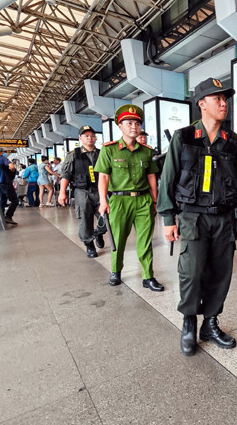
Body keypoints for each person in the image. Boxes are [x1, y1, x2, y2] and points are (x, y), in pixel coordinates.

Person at [158, 78, 237, 355]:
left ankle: (211, 323)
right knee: (191, 272)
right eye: (217, 99)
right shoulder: (184, 137)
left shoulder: (234, 142)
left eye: (225, 99)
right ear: (201, 104)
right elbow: (167, 180)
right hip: (193, 217)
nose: (224, 103)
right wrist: (168, 218)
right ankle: (189, 322)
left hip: (225, 219)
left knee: (220, 273)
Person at [95, 104, 164, 291]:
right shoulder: (109, 150)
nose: (134, 126)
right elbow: (104, 176)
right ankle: (116, 271)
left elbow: (152, 178)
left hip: (143, 200)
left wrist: (155, 201)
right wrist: (103, 201)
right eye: (129, 123)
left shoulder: (147, 151)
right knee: (118, 238)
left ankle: (148, 276)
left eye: (137, 123)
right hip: (119, 200)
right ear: (120, 125)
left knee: (145, 240)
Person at [58, 126, 107, 258]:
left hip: (100, 190)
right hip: (82, 191)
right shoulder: (73, 155)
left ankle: (99, 233)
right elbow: (66, 175)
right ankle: (89, 245)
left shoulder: (102, 153)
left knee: (107, 218)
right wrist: (62, 192)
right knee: (85, 219)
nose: (90, 138)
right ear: (80, 138)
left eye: (92, 135)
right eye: (86, 136)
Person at [0, 146, 18, 225]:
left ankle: (1, 217)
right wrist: (12, 170)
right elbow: (12, 166)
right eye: (2, 151)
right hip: (6, 183)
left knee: (2, 200)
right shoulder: (2, 158)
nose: (3, 153)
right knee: (15, 201)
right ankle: (8, 217)